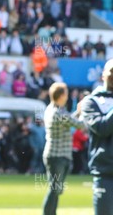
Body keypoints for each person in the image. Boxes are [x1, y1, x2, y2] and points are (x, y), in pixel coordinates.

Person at [42, 82, 85, 215]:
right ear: (61, 96)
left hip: (56, 155)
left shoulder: (51, 109)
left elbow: (68, 120)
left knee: (56, 189)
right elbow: (79, 125)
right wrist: (84, 111)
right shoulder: (58, 112)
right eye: (66, 94)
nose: (67, 97)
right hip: (58, 156)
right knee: (55, 189)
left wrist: (78, 112)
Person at [81, 58, 113, 215]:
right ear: (103, 75)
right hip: (105, 171)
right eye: (112, 72)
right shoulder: (91, 102)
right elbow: (102, 128)